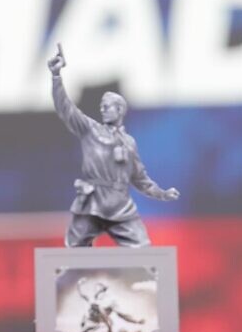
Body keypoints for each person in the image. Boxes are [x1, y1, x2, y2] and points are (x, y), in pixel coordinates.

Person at [48, 45, 179, 247]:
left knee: (144, 250)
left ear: (120, 110)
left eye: (107, 107)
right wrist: (56, 77)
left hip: (120, 206)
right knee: (74, 249)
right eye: (101, 107)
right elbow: (66, 108)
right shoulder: (90, 130)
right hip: (92, 205)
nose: (103, 110)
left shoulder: (129, 142)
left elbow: (140, 179)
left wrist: (162, 193)